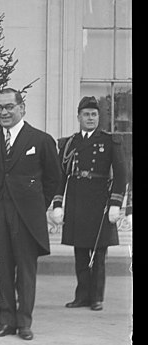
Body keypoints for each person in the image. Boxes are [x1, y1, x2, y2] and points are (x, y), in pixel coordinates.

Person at [0, 87, 61, 341]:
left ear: (21, 108)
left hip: (27, 217)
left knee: (26, 271)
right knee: (2, 269)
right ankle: (5, 321)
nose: (3, 112)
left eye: (9, 107)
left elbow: (53, 179)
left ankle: (24, 322)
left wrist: (38, 205)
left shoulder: (40, 140)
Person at [51, 96, 128, 311]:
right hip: (76, 200)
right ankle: (82, 295)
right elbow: (61, 176)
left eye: (94, 114)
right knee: (80, 252)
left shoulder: (109, 141)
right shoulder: (70, 143)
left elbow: (122, 174)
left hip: (99, 202)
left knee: (99, 253)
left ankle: (97, 298)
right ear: (78, 117)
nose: (91, 118)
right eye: (86, 114)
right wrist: (58, 204)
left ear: (99, 117)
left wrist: (116, 203)